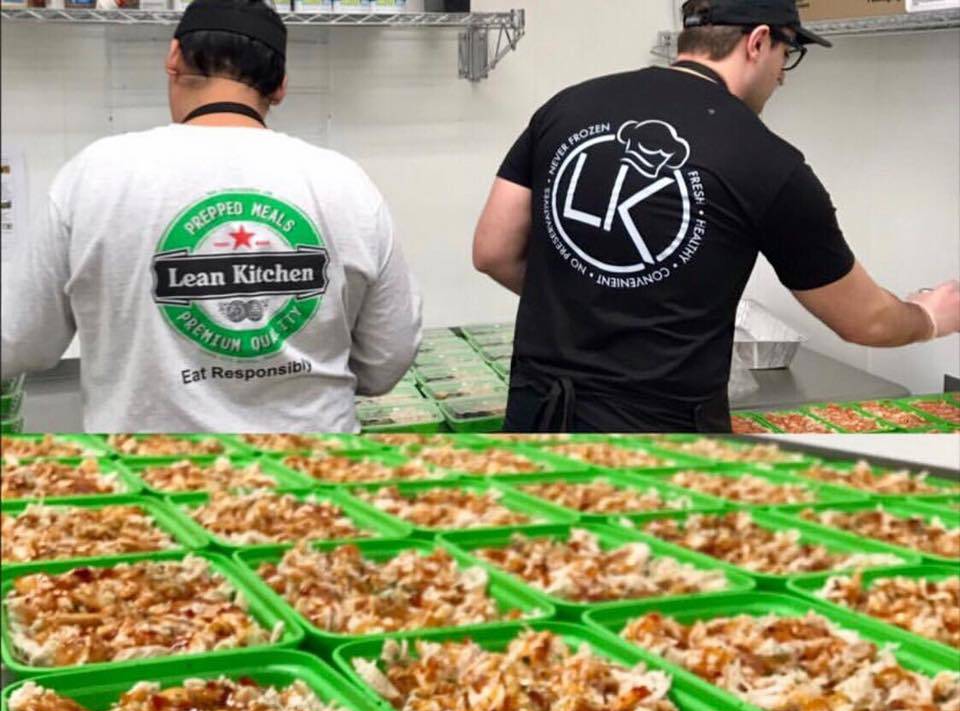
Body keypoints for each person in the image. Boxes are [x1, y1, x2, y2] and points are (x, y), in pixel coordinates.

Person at [473, 0, 960, 434]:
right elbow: (866, 321)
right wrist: (929, 318)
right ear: (758, 42)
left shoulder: (566, 106)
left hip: (536, 415)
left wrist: (589, 303)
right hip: (660, 444)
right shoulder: (768, 162)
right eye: (787, 54)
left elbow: (493, 252)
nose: (783, 76)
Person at [0, 0, 421, 433]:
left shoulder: (93, 175)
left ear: (173, 58)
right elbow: (387, 359)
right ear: (280, 87)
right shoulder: (345, 182)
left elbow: (19, 341)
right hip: (312, 468)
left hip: (149, 469)